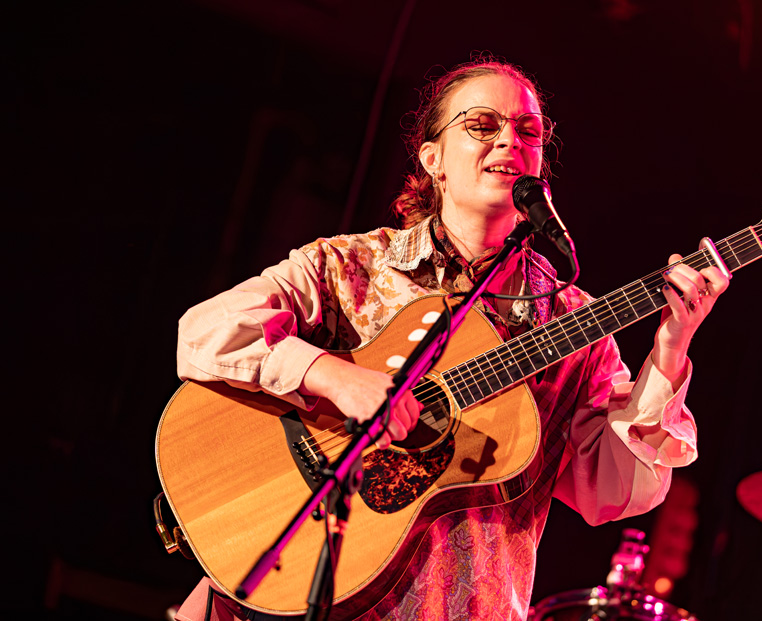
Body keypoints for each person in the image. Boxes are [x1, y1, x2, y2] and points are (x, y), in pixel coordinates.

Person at [172, 57, 729, 621]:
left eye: (529, 130)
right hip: (307, 590)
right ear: (432, 159)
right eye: (483, 125)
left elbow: (612, 493)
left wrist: (669, 351)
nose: (509, 140)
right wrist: (335, 377)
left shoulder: (572, 324)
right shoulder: (349, 266)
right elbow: (204, 331)